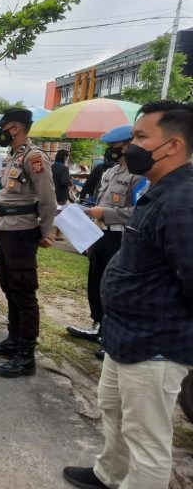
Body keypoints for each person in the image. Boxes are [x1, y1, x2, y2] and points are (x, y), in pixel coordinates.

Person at [63, 100, 193, 489]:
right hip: (125, 336)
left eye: (140, 137)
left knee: (147, 440)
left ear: (172, 145)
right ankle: (109, 473)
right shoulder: (157, 190)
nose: (128, 147)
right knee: (114, 411)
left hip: (155, 343)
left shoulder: (183, 200)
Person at [0, 108, 56, 378]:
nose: (0, 131)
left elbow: (48, 199)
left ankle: (26, 355)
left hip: (23, 232)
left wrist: (46, 232)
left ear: (15, 127)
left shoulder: (34, 157)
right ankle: (13, 340)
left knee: (24, 293)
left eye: (4, 126)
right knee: (10, 287)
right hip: (7, 230)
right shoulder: (14, 156)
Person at [65, 125, 146, 355]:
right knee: (96, 280)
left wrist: (105, 214)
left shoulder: (139, 175)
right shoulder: (110, 172)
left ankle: (110, 334)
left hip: (120, 235)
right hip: (100, 233)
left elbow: (138, 211)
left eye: (115, 147)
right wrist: (86, 211)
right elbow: (100, 202)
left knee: (113, 285)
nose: (110, 151)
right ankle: (97, 324)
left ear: (129, 146)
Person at [51, 149, 72, 241]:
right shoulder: (64, 168)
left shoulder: (52, 166)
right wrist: (70, 182)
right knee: (61, 214)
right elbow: (64, 181)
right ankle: (57, 234)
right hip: (61, 195)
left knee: (51, 213)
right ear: (65, 157)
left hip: (52, 193)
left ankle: (49, 232)